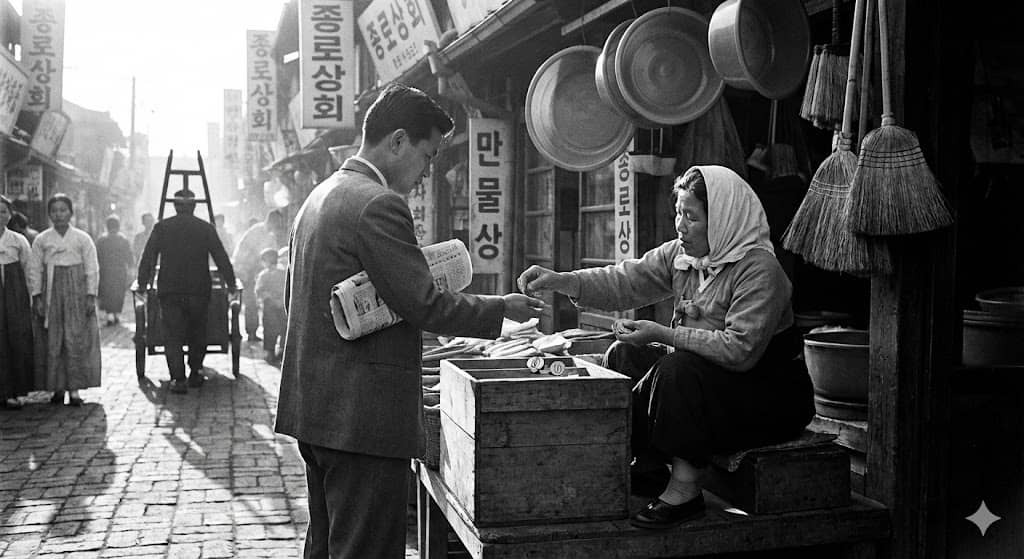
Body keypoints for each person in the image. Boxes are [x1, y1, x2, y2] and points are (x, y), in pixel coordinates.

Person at [275, 83, 544, 558]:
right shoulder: (378, 203)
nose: (427, 172)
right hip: (362, 420)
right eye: (427, 155)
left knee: (325, 546)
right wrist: (501, 308)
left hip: (314, 409)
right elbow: (425, 304)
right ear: (397, 141)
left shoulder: (320, 196)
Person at [518, 166, 814, 530]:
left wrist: (664, 334)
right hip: (714, 384)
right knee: (623, 354)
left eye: (692, 216)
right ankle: (649, 467)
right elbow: (627, 280)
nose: (680, 224)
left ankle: (686, 491)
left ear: (722, 220)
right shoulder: (684, 256)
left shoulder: (759, 270)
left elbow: (740, 350)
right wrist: (564, 281)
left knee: (677, 371)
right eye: (678, 212)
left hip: (766, 396)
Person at [137, 190, 236, 394]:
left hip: (170, 291)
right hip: (198, 290)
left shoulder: (162, 228)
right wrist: (231, 284)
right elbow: (221, 257)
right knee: (197, 331)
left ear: (175, 206)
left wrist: (142, 284)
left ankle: (178, 378)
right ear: (194, 206)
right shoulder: (205, 228)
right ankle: (195, 372)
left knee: (172, 335)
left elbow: (148, 258)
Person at [28, 193, 102, 407]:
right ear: (49, 214)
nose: (59, 214)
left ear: (70, 212)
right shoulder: (42, 240)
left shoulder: (82, 238)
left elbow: (92, 268)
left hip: (76, 291)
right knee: (54, 340)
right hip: (51, 290)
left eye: (63, 210)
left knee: (75, 338)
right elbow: (34, 269)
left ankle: (75, 389)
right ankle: (57, 388)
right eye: (54, 211)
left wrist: (90, 294)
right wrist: (37, 296)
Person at [0, 196, 34, 410]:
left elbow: (29, 270)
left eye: (3, 211)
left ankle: (12, 391)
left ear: (10, 214)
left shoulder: (18, 240)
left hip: (14, 294)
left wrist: (32, 297)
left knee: (14, 338)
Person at [233, 209, 285, 342]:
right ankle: (250, 332)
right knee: (250, 302)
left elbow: (272, 254)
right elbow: (247, 252)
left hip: (257, 271)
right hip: (246, 270)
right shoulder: (256, 231)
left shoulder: (270, 235)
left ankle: (253, 331)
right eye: (277, 223)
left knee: (254, 302)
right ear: (271, 220)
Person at [95, 215, 133, 326]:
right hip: (119, 271)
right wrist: (131, 268)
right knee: (118, 292)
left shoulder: (101, 240)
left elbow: (96, 256)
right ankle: (117, 314)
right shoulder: (123, 240)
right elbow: (129, 256)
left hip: (105, 272)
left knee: (106, 293)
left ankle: (110, 315)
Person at [254, 247, 286, 364]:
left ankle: (274, 351)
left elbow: (259, 291)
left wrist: (272, 298)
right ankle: (276, 350)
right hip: (277, 305)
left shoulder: (264, 275)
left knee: (273, 329)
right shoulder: (282, 273)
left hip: (274, 305)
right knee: (278, 328)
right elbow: (260, 291)